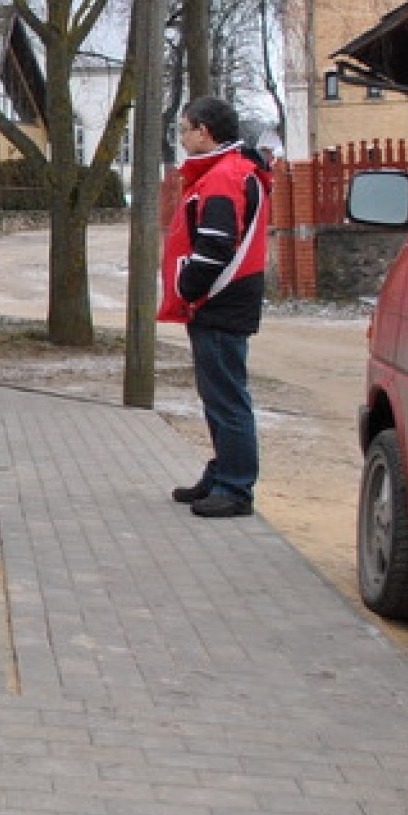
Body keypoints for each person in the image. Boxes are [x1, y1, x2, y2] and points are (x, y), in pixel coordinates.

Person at [161, 95, 273, 519]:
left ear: (204, 131)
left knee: (226, 397)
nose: (183, 139)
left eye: (185, 130)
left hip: (221, 302)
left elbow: (215, 245)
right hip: (222, 302)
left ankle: (236, 486)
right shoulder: (231, 171)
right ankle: (223, 470)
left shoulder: (225, 177)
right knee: (218, 395)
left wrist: (188, 287)